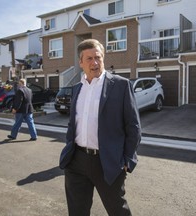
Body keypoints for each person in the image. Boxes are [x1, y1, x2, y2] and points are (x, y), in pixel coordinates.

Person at [59, 39, 141, 216]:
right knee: (77, 211)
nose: (94, 62)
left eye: (98, 57)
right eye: (89, 58)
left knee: (118, 211)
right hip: (76, 161)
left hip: (107, 162)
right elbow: (73, 123)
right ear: (80, 62)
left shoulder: (120, 85)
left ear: (103, 58)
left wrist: (128, 159)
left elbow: (133, 126)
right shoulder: (76, 89)